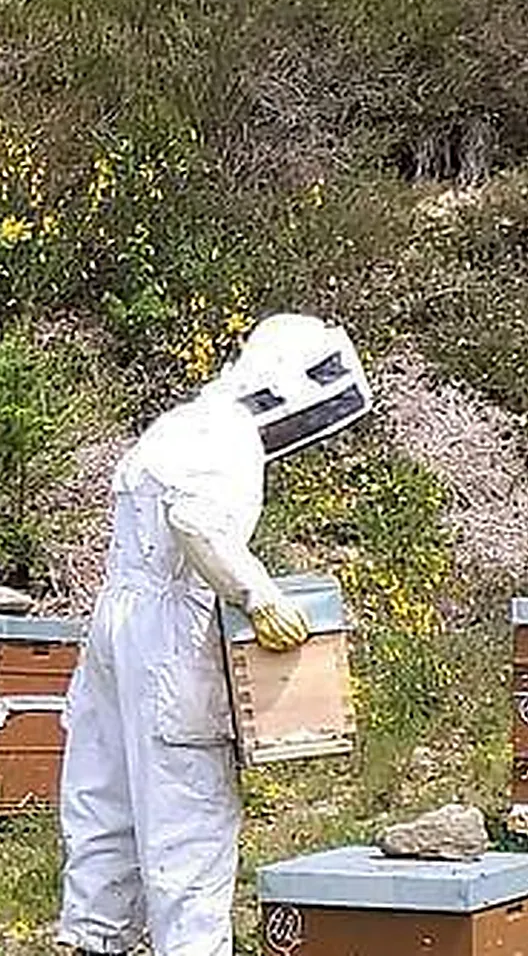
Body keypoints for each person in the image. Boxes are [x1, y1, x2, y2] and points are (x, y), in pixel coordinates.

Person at [56, 313, 373, 955]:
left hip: (115, 627)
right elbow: (196, 521)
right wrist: (258, 596)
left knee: (104, 807)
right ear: (294, 386)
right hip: (172, 634)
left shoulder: (178, 423)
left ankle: (97, 942)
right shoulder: (230, 439)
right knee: (188, 822)